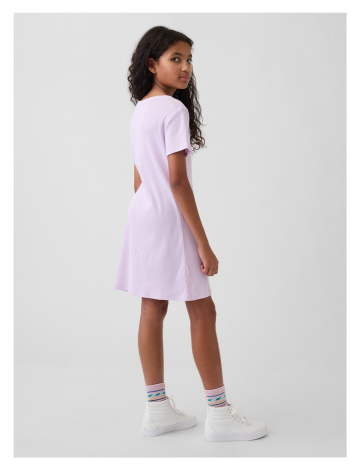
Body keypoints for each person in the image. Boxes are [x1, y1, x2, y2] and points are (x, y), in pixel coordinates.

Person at [114, 26, 267, 442]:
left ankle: (157, 409)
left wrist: (153, 207)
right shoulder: (173, 111)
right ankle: (219, 415)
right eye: (176, 59)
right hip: (168, 218)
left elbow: (139, 180)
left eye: (189, 59)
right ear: (152, 64)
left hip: (142, 215)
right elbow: (177, 181)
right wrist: (203, 242)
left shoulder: (141, 110)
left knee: (152, 308)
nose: (186, 67)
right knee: (202, 311)